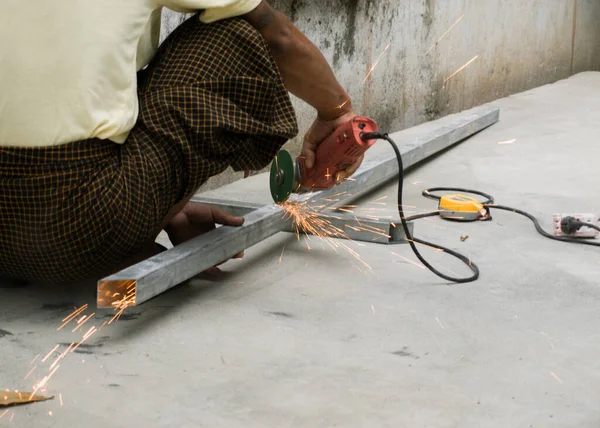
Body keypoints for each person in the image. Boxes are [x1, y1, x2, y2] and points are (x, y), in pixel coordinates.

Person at [0, 1, 362, 284]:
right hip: (86, 222)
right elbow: (279, 39)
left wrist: (165, 197)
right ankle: (115, 224)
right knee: (237, 31)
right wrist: (338, 113)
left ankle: (153, 202)